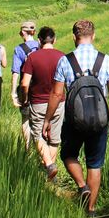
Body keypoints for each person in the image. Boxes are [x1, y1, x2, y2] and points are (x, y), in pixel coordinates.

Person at [44, 19, 109, 218]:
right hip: (99, 120)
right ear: (93, 35)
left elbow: (56, 94)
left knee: (68, 154)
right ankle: (91, 211)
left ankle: (81, 185)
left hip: (74, 120)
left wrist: (47, 119)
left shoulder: (65, 60)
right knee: (95, 163)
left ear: (74, 37)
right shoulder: (106, 60)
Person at [19, 26, 65, 180]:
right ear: (55, 40)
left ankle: (49, 165)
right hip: (58, 102)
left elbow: (25, 83)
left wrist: (24, 98)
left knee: (37, 135)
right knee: (54, 138)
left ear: (39, 40)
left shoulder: (33, 57)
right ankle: (50, 174)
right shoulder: (62, 57)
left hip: (38, 101)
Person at [11, 21, 40, 145]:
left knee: (25, 120)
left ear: (23, 32)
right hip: (41, 88)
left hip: (26, 89)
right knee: (40, 120)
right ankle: (41, 148)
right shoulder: (41, 46)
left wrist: (13, 93)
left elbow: (15, 72)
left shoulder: (19, 49)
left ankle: (28, 149)